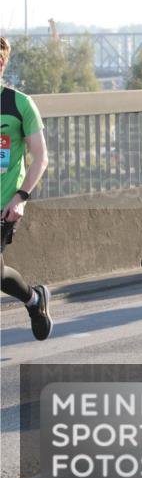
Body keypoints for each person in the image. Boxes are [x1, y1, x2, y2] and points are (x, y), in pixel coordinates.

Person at [0, 35, 53, 341]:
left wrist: (21, 197)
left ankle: (34, 299)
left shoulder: (19, 104)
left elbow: (41, 156)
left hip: (5, 204)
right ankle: (34, 300)